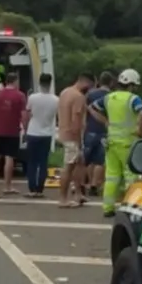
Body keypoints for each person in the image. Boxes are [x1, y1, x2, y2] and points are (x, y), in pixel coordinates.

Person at [89, 68, 142, 217]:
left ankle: (108, 208)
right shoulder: (133, 98)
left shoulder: (109, 98)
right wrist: (140, 131)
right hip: (128, 143)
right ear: (132, 84)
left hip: (111, 142)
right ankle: (130, 207)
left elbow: (91, 108)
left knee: (112, 177)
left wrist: (106, 122)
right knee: (131, 176)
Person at [0, 72, 26, 197]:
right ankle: (7, 186)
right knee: (9, 158)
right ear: (15, 81)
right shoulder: (20, 96)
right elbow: (24, 115)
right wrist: (25, 129)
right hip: (12, 131)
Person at [56, 72, 94, 207]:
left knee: (80, 163)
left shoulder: (65, 92)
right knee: (69, 166)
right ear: (85, 82)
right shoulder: (79, 97)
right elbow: (76, 119)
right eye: (90, 84)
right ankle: (63, 198)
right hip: (72, 135)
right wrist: (78, 140)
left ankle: (78, 193)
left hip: (63, 131)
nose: (90, 88)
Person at [23, 73, 58, 197]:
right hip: (46, 133)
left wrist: (25, 129)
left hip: (33, 132)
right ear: (50, 83)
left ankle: (32, 189)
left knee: (32, 162)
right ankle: (40, 189)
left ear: (39, 83)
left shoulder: (32, 98)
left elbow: (27, 115)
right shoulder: (55, 99)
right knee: (43, 163)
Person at [83, 71, 115, 197]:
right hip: (104, 131)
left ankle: (89, 182)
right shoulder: (111, 96)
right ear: (111, 82)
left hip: (89, 129)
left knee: (88, 160)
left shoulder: (90, 94)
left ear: (99, 81)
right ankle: (94, 185)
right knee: (100, 161)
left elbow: (84, 110)